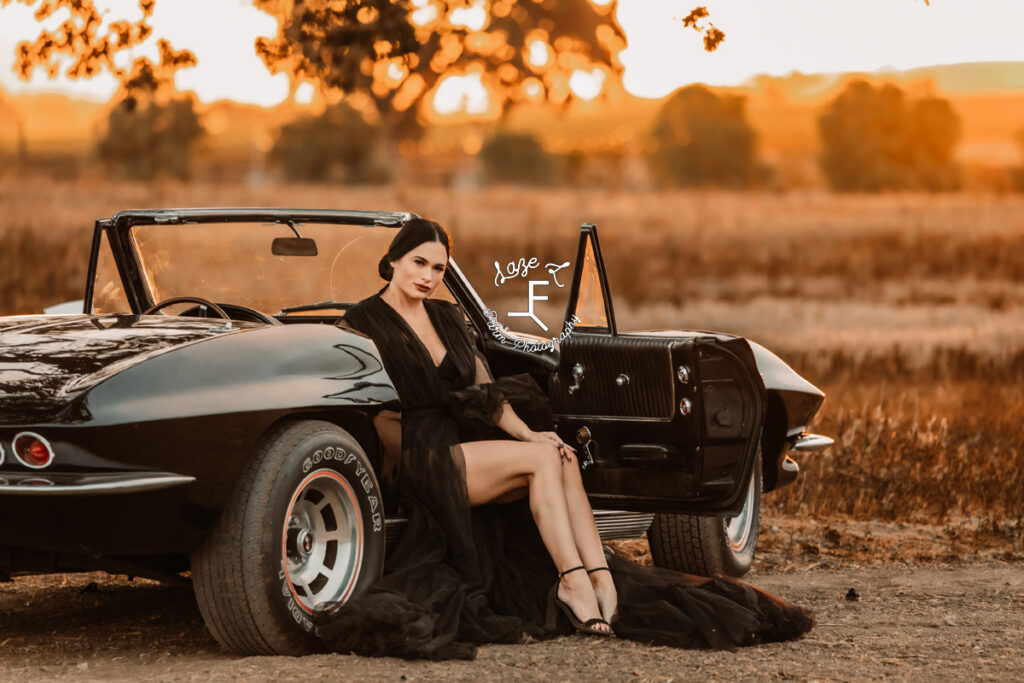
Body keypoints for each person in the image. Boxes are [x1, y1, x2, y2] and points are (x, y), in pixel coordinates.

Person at [317, 218, 813, 660]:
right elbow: (370, 408)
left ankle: (599, 576)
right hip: (421, 454)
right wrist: (393, 465)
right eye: (417, 263)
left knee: (560, 454)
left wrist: (534, 434)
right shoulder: (361, 322)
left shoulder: (448, 317)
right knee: (540, 462)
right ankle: (574, 583)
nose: (427, 276)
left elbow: (489, 396)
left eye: (439, 268)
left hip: (462, 444)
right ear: (392, 261)